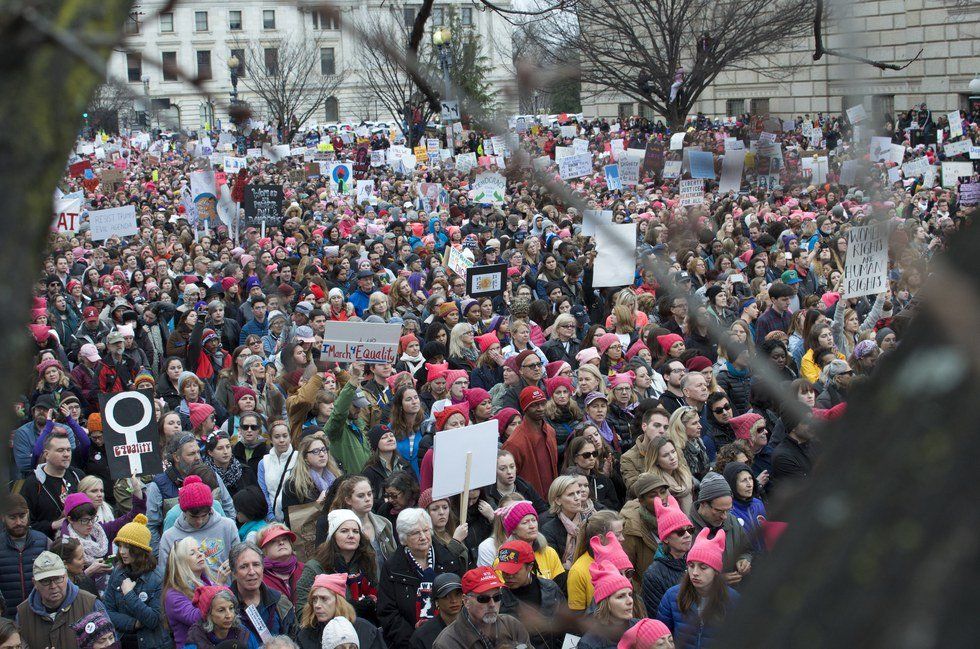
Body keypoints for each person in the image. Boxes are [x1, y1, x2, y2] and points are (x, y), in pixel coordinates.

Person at [377, 508, 465, 647]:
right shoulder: (392, 568)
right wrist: (415, 641)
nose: (423, 537)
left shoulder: (449, 560)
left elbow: (463, 598)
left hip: (451, 640)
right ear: (404, 539)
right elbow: (388, 612)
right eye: (415, 533)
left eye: (425, 530)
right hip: (409, 642)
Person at [147, 433, 236, 550]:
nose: (198, 457)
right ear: (176, 457)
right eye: (191, 454)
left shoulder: (210, 475)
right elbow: (151, 525)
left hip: (214, 549)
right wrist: (160, 555)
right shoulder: (158, 485)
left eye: (198, 452)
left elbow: (228, 507)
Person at [656, 529, 739, 649]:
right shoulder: (672, 596)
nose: (695, 573)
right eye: (691, 565)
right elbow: (661, 638)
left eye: (703, 567)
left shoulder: (733, 600)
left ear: (716, 571)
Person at [297, 508, 379, 620]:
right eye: (344, 531)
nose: (351, 535)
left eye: (355, 531)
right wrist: (347, 608)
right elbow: (302, 613)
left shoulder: (367, 561)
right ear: (333, 536)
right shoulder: (315, 568)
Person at [15, 550, 108, 649]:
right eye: (45, 581)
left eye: (58, 578)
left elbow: (110, 643)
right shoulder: (22, 614)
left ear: (66, 576)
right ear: (35, 583)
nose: (53, 586)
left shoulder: (90, 604)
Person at [102, 513, 168, 648]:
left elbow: (154, 619)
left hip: (150, 643)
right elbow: (106, 611)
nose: (122, 552)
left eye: (127, 547)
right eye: (120, 546)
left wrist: (129, 595)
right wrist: (134, 623)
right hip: (122, 640)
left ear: (140, 550)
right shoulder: (118, 572)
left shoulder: (157, 578)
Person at [159, 475, 239, 578]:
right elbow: (165, 576)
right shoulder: (169, 537)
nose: (199, 521)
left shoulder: (227, 526)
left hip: (227, 592)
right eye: (193, 517)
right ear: (183, 511)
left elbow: (239, 562)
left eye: (204, 515)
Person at [431, 566, 530, 649]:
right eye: (483, 599)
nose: (492, 604)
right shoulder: (447, 643)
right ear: (466, 601)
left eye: (497, 597)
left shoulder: (512, 625)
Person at [497, 539, 567, 649]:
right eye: (504, 571)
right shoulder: (498, 601)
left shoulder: (551, 589)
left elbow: (568, 625)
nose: (508, 576)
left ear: (529, 567)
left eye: (514, 571)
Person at [687, 473, 752, 586]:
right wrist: (715, 580)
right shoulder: (685, 530)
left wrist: (744, 560)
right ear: (703, 504)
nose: (725, 517)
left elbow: (746, 550)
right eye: (719, 511)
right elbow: (681, 574)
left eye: (728, 510)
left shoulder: (732, 521)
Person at [295, 572, 386, 649]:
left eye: (324, 599)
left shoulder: (365, 630)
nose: (317, 605)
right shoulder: (305, 635)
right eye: (314, 599)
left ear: (339, 601)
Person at [227, 541, 296, 639]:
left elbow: (294, 640)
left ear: (263, 568)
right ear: (234, 572)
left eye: (256, 564)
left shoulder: (280, 602)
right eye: (244, 566)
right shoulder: (223, 605)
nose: (252, 572)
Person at [22, 433, 84, 538]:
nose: (66, 454)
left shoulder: (77, 475)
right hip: (47, 545)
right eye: (60, 450)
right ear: (46, 454)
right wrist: (53, 525)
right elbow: (26, 525)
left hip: (81, 542)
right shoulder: (33, 483)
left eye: (69, 450)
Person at [501, 386, 558, 501]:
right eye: (534, 405)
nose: (540, 408)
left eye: (542, 403)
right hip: (530, 503)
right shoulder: (514, 443)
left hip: (554, 498)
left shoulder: (550, 431)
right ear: (525, 408)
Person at [641, 497, 694, 616]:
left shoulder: (697, 562)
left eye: (690, 530)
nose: (687, 535)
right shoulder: (653, 575)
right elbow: (657, 618)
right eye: (680, 532)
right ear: (665, 539)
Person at [0, 493, 48, 617]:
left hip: (39, 614)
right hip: (6, 618)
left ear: (28, 514)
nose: (18, 522)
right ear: (3, 518)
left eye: (22, 516)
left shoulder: (43, 542)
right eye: (12, 518)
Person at [163, 536, 215, 648]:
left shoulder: (209, 583)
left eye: (200, 550)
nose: (201, 554)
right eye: (192, 553)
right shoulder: (173, 595)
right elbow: (197, 618)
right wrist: (217, 593)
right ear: (180, 563)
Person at [576, 560, 638, 649]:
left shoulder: (641, 628)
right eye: (621, 596)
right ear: (605, 603)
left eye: (630, 594)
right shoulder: (589, 644)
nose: (630, 601)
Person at [184, 585, 259, 649]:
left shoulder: (243, 633)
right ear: (208, 614)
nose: (229, 615)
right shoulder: (197, 637)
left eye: (231, 608)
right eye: (221, 610)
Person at [540, 475, 585, 570]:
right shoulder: (548, 530)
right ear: (557, 500)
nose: (577, 498)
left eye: (578, 492)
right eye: (571, 494)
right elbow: (552, 566)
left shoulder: (588, 522)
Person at [258, 420, 298, 522]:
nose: (281, 440)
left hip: (296, 516)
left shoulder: (299, 458)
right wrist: (271, 517)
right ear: (271, 439)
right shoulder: (264, 462)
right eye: (277, 437)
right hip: (272, 518)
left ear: (290, 437)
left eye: (285, 436)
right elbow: (263, 492)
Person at [410, 572, 464, 649]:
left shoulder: (475, 627)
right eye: (446, 596)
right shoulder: (422, 636)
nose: (454, 600)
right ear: (436, 601)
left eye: (458, 594)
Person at [722, 462, 767, 553]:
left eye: (750, 479)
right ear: (732, 484)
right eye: (743, 480)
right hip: (746, 562)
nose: (749, 484)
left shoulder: (758, 504)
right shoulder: (728, 511)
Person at [257, 524, 305, 604]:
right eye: (273, 541)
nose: (281, 542)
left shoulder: (305, 569)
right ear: (264, 550)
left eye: (285, 539)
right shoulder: (259, 578)